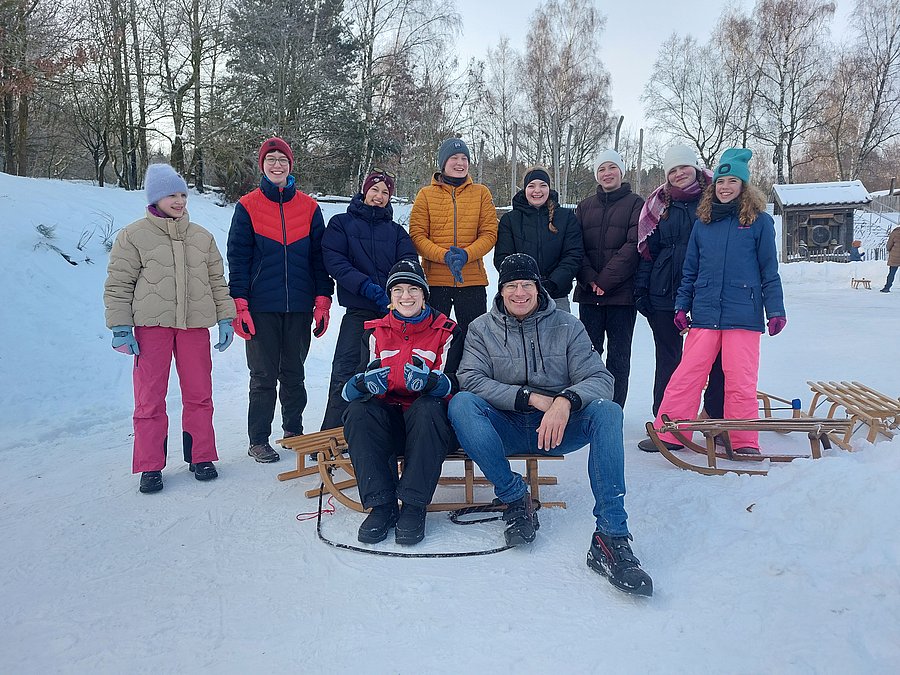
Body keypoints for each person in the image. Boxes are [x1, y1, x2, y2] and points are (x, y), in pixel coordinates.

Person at [449, 253, 653, 597]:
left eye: (526, 284)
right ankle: (516, 498)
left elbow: (602, 379)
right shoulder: (481, 328)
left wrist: (565, 400)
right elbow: (470, 379)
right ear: (501, 290)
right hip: (505, 426)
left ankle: (611, 535)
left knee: (607, 411)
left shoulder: (567, 325)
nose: (519, 293)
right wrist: (528, 397)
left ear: (538, 288)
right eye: (511, 286)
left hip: (558, 429)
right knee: (462, 404)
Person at [104, 164, 235, 494]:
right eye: (171, 195)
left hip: (194, 327)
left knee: (199, 394)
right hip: (152, 328)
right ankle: (150, 465)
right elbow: (119, 284)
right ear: (155, 198)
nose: (179, 201)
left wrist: (226, 317)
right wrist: (121, 327)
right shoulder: (133, 236)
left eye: (182, 194)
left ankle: (201, 456)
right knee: (149, 398)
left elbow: (217, 282)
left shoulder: (202, 237)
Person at [653, 148, 786, 454]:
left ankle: (743, 440)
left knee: (740, 379)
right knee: (687, 375)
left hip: (743, 314)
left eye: (732, 181)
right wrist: (682, 306)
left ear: (743, 186)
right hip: (705, 312)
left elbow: (769, 270)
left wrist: (775, 310)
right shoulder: (704, 223)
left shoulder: (760, 223)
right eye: (721, 182)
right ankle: (671, 432)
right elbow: (690, 270)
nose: (725, 187)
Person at [227, 137, 334, 463]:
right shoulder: (247, 206)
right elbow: (238, 258)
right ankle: (258, 439)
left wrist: (322, 300)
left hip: (299, 305)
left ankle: (293, 432)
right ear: (262, 165)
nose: (277, 165)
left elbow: (320, 259)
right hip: (261, 306)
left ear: (290, 165)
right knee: (262, 376)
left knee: (294, 373)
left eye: (282, 160)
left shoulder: (309, 208)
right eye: (271, 159)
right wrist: (239, 304)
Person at [341, 259, 463, 546]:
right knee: (359, 411)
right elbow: (357, 381)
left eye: (413, 289)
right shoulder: (374, 332)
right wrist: (363, 384)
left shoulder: (447, 331)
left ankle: (413, 505)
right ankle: (382, 505)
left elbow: (456, 383)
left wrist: (432, 383)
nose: (406, 296)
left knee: (428, 407)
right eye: (398, 290)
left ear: (424, 294)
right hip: (391, 426)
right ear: (390, 296)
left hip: (431, 430)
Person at [634, 144, 725, 451]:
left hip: (706, 291)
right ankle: (666, 424)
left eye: (683, 167)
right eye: (672, 170)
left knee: (714, 359)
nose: (679, 173)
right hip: (664, 291)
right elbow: (649, 251)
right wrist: (642, 289)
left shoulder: (715, 199)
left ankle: (715, 418)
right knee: (668, 359)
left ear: (695, 168)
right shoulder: (659, 204)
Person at [319, 169, 417, 430]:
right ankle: (333, 430)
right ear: (364, 191)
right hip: (359, 310)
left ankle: (381, 430)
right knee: (346, 368)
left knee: (390, 371)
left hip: (391, 313)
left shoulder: (397, 232)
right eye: (374, 190)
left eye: (385, 192)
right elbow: (336, 262)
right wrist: (367, 287)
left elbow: (408, 263)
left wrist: (394, 292)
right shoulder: (341, 224)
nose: (379, 196)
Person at [409, 137, 497, 341]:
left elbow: (489, 233)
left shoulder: (481, 193)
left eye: (464, 158)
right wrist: (444, 256)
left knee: (474, 340)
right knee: (432, 340)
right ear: (443, 162)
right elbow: (417, 236)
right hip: (435, 282)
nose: (460, 163)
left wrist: (466, 254)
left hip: (472, 281)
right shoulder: (426, 195)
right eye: (454, 158)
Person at [574, 149, 643, 408]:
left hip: (621, 296)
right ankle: (588, 407)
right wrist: (590, 278)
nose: (607, 173)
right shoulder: (585, 207)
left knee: (619, 358)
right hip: (589, 295)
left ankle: (614, 409)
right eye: (602, 169)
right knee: (588, 356)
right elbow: (575, 247)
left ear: (621, 171)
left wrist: (606, 280)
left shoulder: (636, 204)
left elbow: (634, 244)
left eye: (612, 167)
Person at [494, 166, 582, 312]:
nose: (537, 190)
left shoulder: (566, 218)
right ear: (525, 189)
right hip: (520, 297)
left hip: (556, 295)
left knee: (559, 328)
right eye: (531, 186)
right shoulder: (510, 220)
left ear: (549, 188)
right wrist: (527, 284)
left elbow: (573, 255)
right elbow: (503, 258)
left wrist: (553, 283)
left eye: (543, 185)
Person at [880, 227, 899, 292]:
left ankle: (887, 287)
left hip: (895, 255)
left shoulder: (895, 232)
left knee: (892, 273)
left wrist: (889, 249)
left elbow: (889, 245)